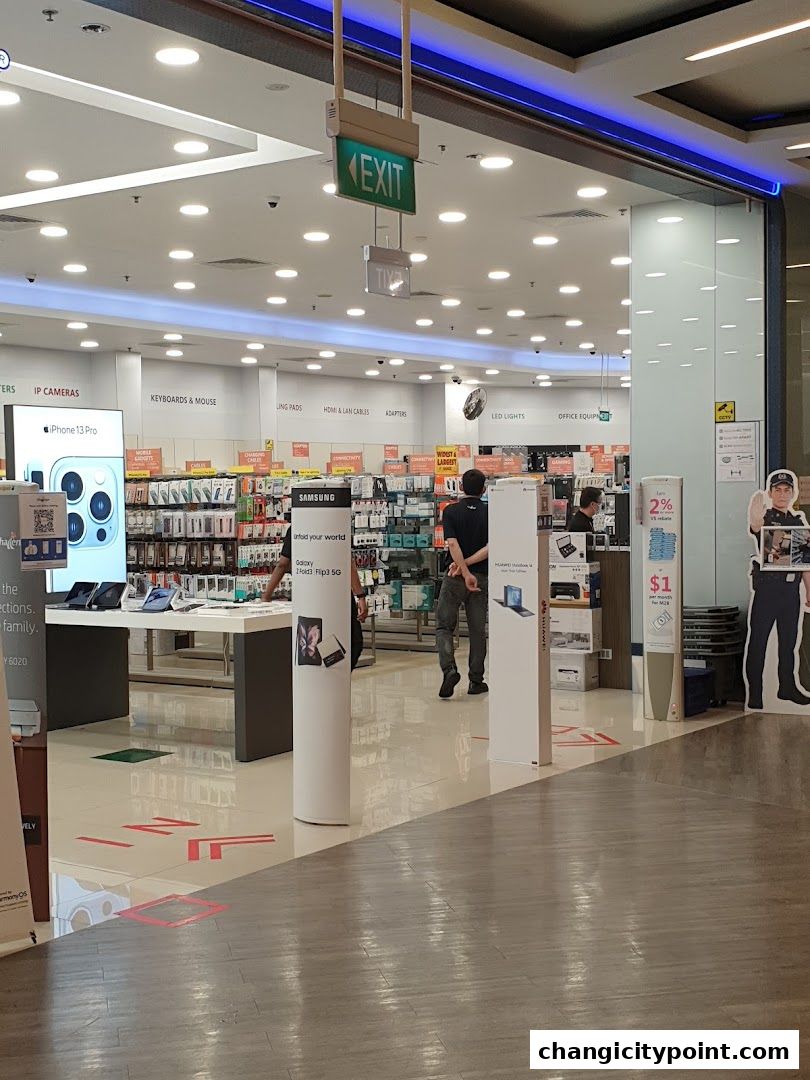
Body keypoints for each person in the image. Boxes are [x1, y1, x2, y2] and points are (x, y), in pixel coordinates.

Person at [744, 470, 810, 710]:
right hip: (767, 591)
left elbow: (805, 561)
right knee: (758, 642)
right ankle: (755, 694)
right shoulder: (766, 517)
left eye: (787, 490)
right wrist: (755, 512)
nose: (783, 494)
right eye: (778, 490)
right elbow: (756, 525)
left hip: (790, 593)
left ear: (793, 493)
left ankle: (787, 687)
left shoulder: (799, 521)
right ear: (771, 493)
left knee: (788, 643)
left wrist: (809, 591)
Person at [263, 520, 368, 670]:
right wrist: (361, 596)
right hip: (338, 595)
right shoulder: (334, 525)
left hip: (310, 595)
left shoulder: (297, 529)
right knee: (351, 641)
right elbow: (347, 562)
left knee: (319, 638)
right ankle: (333, 675)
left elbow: (282, 564)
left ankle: (328, 674)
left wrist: (266, 596)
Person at [435, 468, 489, 699]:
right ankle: (476, 681)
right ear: (484, 490)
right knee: (477, 630)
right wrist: (470, 570)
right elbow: (491, 547)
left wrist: (461, 569)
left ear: (460, 488)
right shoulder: (490, 512)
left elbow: (453, 545)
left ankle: (449, 670)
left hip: (455, 576)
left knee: (444, 626)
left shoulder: (451, 511)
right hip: (481, 578)